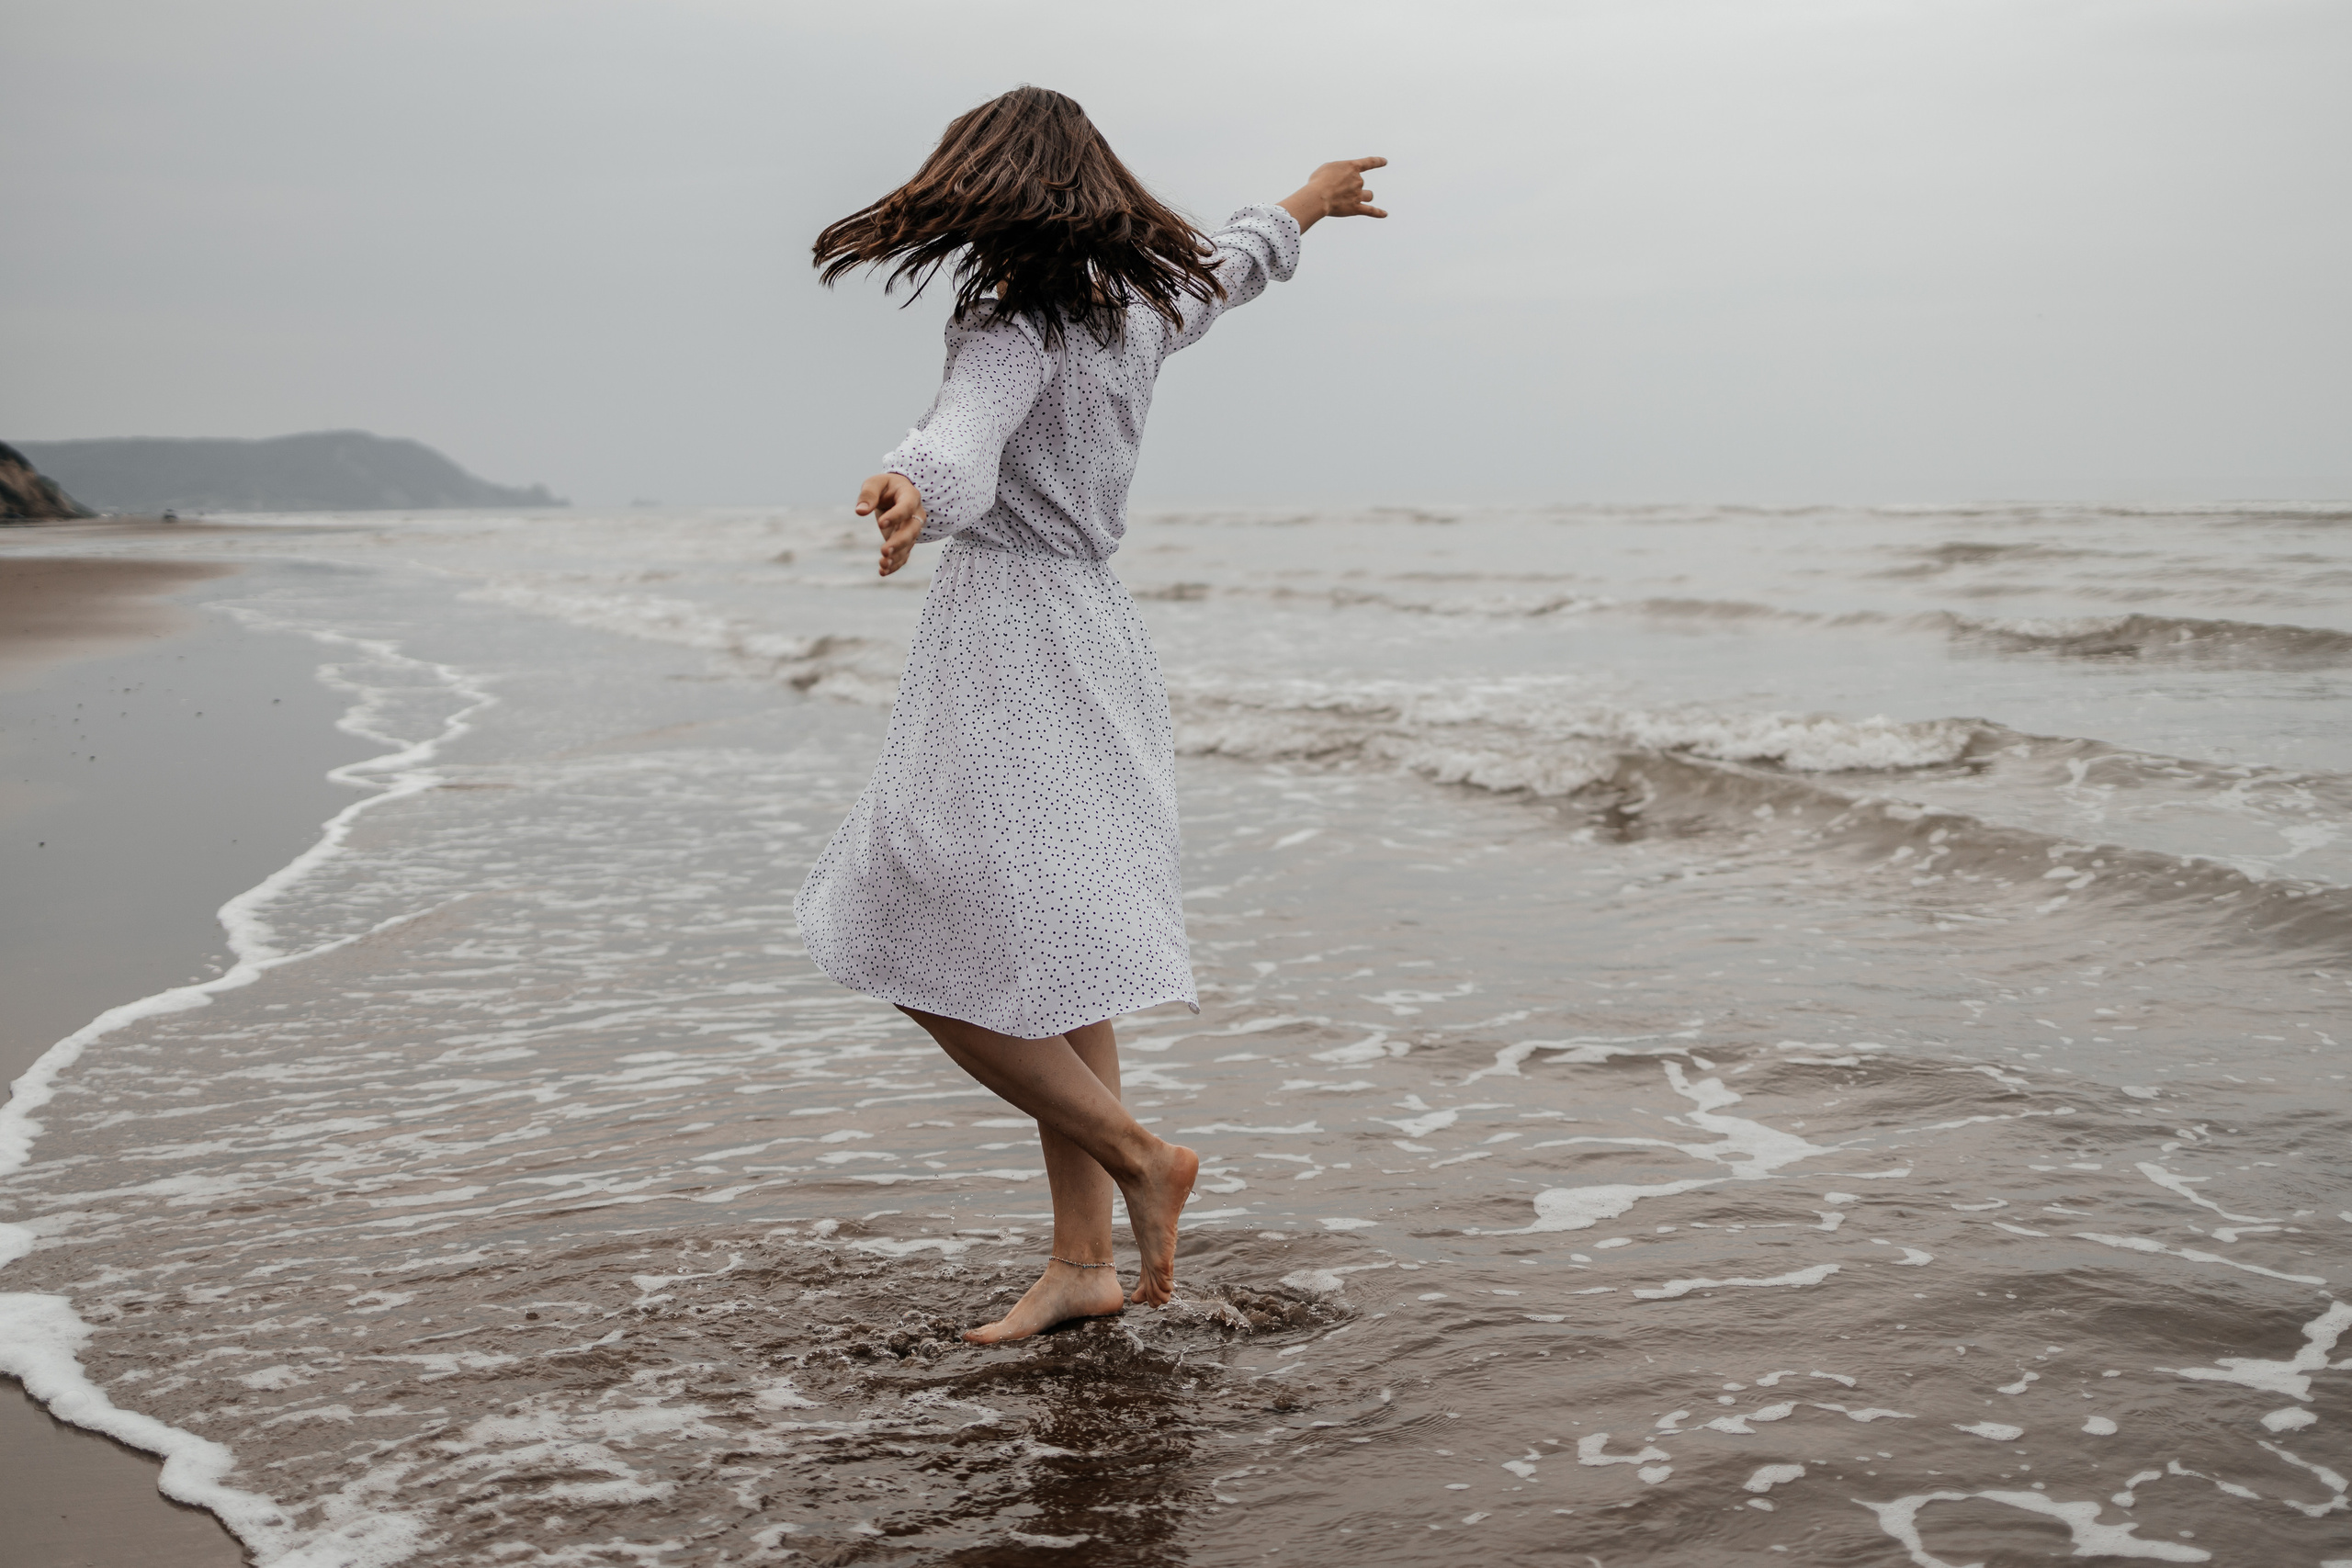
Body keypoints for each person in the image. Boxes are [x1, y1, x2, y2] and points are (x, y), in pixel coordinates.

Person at [797, 85, 1386, 1343]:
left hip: (1008, 636)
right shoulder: (1138, 310)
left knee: (896, 906)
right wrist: (1311, 203)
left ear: (988, 194)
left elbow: (962, 439)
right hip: (1100, 632)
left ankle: (1135, 1152)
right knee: (1058, 946)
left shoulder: (1012, 325)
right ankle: (1082, 1265)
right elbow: (1231, 266)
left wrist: (911, 486)